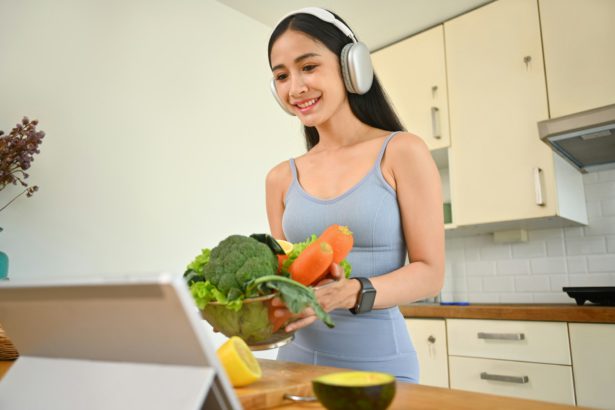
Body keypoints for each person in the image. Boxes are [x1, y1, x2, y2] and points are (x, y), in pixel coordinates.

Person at [265, 7, 444, 383]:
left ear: (352, 68)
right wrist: (244, 315)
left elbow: (430, 273)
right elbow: (287, 278)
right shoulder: (280, 178)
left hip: (380, 366)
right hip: (293, 364)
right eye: (282, 76)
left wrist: (353, 292)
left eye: (308, 67)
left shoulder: (401, 151)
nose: (295, 87)